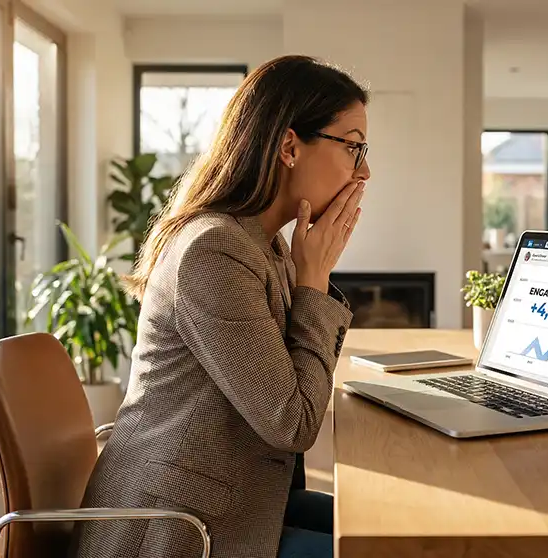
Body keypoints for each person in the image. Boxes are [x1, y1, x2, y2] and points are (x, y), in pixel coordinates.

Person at [69, 55, 370, 558]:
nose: (365, 170)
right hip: (176, 529)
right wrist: (314, 282)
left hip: (235, 496)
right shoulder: (215, 250)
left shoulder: (264, 243)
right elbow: (292, 423)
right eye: (354, 147)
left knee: (394, 532)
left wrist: (308, 276)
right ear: (289, 146)